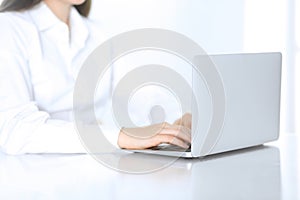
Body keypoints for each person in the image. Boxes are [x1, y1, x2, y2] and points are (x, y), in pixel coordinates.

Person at [0, 0, 191, 155]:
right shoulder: (10, 27)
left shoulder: (96, 34)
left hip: (93, 173)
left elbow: (138, 92)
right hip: (31, 180)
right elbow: (16, 129)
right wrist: (120, 137)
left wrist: (178, 119)